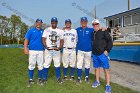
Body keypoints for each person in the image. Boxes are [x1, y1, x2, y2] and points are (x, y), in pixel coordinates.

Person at [91, 19, 113, 93]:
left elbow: (110, 41)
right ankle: (97, 81)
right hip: (94, 54)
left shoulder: (103, 31)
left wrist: (107, 50)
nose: (95, 25)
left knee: (106, 70)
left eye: (96, 24)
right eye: (94, 24)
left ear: (99, 24)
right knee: (96, 68)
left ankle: (108, 85)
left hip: (102, 54)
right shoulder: (93, 33)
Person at [42, 17, 64, 84]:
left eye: (55, 22)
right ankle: (44, 78)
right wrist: (46, 46)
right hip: (49, 50)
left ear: (57, 22)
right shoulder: (47, 29)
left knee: (57, 64)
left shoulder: (60, 31)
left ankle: (58, 78)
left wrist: (60, 47)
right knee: (46, 64)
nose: (54, 23)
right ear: (51, 22)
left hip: (56, 50)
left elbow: (62, 40)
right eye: (53, 22)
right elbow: (43, 39)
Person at [24, 19, 44, 87]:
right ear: (36, 23)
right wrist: (25, 48)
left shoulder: (43, 31)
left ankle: (39, 79)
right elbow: (26, 39)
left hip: (41, 51)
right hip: (32, 50)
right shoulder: (31, 30)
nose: (39, 23)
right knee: (31, 65)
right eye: (37, 22)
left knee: (40, 65)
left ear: (41, 24)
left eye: (40, 22)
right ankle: (30, 79)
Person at [76, 17, 94, 84]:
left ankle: (86, 77)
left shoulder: (90, 29)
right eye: (82, 21)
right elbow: (70, 31)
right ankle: (79, 78)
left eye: (85, 21)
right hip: (80, 50)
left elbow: (97, 30)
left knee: (87, 64)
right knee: (79, 64)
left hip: (88, 50)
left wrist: (103, 28)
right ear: (81, 22)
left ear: (87, 22)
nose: (83, 22)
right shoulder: (77, 29)